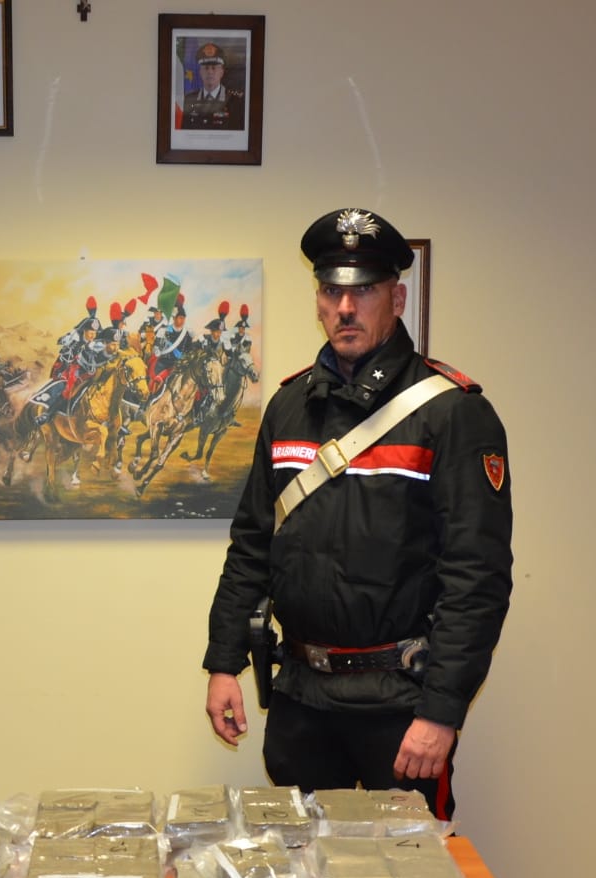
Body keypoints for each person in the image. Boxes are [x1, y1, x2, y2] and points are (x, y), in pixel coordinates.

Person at [202, 207, 512, 820]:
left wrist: (441, 711)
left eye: (363, 290)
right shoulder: (288, 408)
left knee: (408, 871)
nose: (345, 307)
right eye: (331, 290)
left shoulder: (452, 412)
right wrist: (223, 662)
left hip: (399, 704)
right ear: (318, 301)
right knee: (299, 861)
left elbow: (476, 578)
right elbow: (252, 544)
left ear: (396, 298)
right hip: (301, 696)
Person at [181, 43, 244, 131]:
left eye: (214, 68)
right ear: (200, 72)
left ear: (222, 72)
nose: (210, 72)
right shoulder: (188, 100)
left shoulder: (235, 102)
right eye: (206, 68)